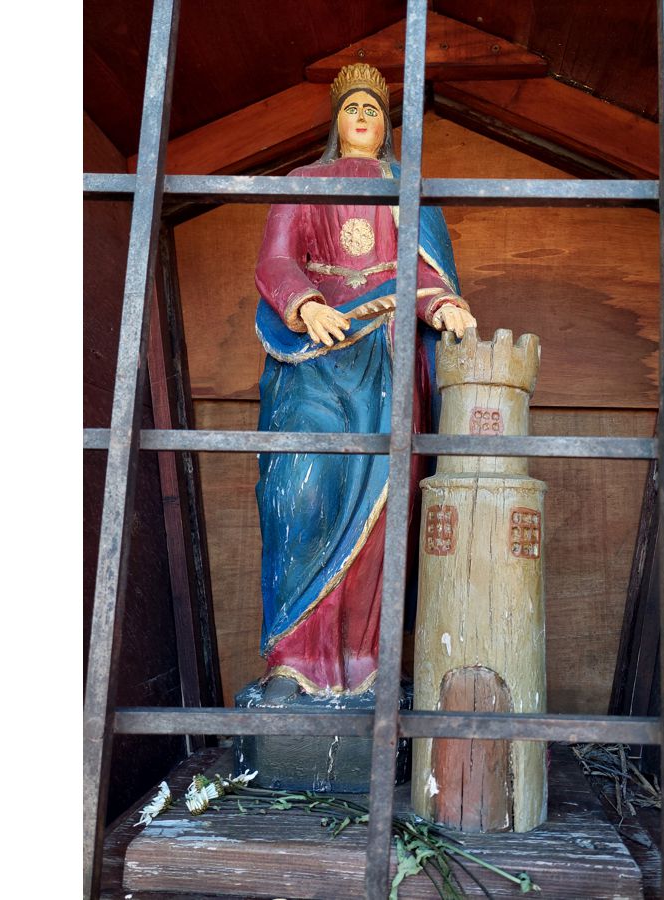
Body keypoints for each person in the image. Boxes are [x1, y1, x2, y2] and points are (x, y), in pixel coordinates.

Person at [253, 64, 477, 699]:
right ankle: (292, 659)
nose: (361, 117)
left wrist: (443, 305)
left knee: (384, 511)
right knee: (300, 494)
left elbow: (425, 272)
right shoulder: (305, 182)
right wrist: (305, 305)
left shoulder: (405, 188)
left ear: (385, 126)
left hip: (386, 359)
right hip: (314, 357)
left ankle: (366, 665)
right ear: (335, 120)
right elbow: (276, 259)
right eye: (351, 107)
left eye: (373, 109)